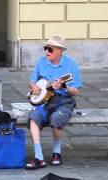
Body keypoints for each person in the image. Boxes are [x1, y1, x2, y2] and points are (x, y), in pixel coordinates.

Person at [26, 36, 82, 170]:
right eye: (45, 48)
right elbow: (31, 82)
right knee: (33, 118)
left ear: (60, 51)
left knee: (55, 118)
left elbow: (76, 92)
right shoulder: (41, 62)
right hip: (44, 102)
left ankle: (57, 152)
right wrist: (33, 87)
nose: (46, 52)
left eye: (50, 49)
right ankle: (39, 157)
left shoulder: (71, 65)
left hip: (64, 102)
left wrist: (64, 87)